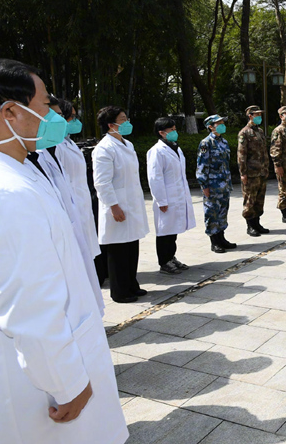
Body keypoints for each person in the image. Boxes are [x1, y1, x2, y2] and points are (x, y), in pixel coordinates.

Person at [0, 59, 128, 444]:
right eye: (42, 107)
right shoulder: (2, 192)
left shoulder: (10, 171)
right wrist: (68, 383)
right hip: (38, 392)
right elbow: (29, 306)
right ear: (10, 113)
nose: (51, 116)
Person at [36, 98, 104, 314]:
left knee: (86, 269)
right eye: (70, 116)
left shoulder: (65, 143)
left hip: (80, 208)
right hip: (67, 218)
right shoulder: (44, 151)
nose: (72, 121)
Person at [93, 106, 150, 303]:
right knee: (118, 250)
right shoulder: (104, 148)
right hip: (117, 206)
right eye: (123, 119)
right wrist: (113, 205)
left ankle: (131, 284)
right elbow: (102, 182)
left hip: (131, 203)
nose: (127, 122)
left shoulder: (127, 144)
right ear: (111, 125)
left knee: (131, 245)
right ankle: (119, 291)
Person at [146, 117, 196, 274]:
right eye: (171, 130)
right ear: (161, 133)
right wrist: (161, 200)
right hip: (166, 198)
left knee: (173, 230)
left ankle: (171, 257)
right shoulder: (156, 151)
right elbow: (155, 177)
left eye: (175, 129)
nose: (175, 132)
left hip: (178, 196)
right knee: (164, 231)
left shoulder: (176, 148)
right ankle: (164, 262)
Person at [196, 114, 236, 254]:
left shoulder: (223, 142)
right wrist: (204, 186)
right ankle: (214, 242)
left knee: (222, 212)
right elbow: (202, 166)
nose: (222, 125)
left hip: (224, 184)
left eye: (222, 122)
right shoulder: (206, 143)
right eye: (218, 123)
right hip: (212, 185)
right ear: (210, 127)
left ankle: (222, 238)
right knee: (212, 213)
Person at [238, 105, 270, 237]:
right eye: (256, 115)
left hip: (261, 172)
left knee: (259, 199)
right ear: (250, 116)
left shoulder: (260, 132)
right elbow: (241, 155)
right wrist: (243, 173)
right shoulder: (244, 133)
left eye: (260, 115)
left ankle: (257, 223)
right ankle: (250, 225)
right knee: (250, 199)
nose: (259, 117)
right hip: (251, 173)